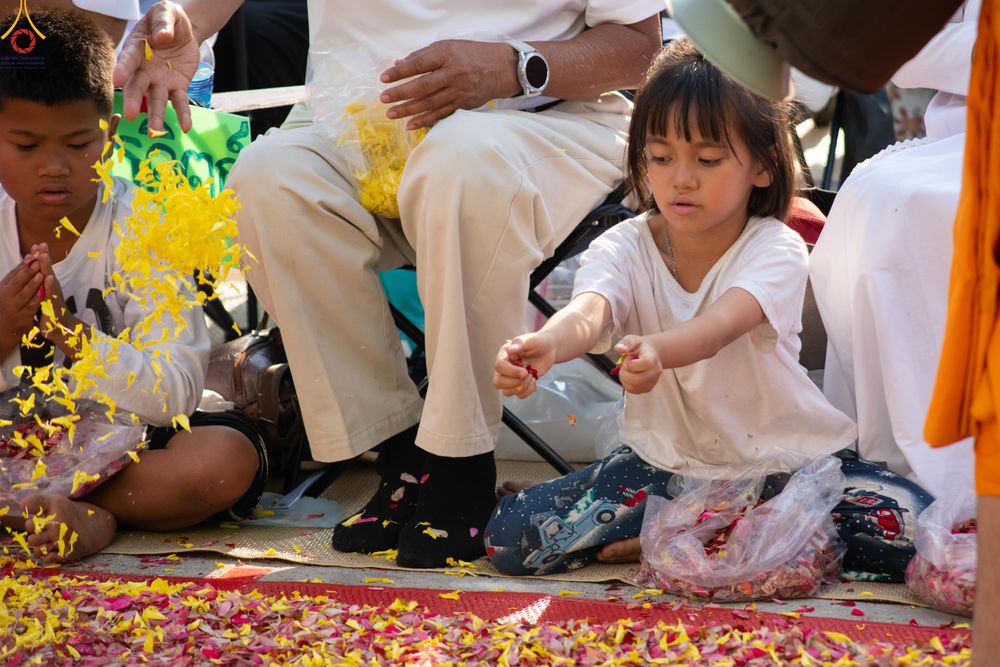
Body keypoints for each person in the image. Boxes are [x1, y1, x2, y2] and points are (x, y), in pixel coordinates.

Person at [113, 0, 663, 567]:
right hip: (352, 124)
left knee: (460, 160)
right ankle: (399, 450)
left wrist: (515, 66)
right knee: (267, 179)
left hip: (545, 118)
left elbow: (642, 48)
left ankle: (461, 459)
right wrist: (191, 25)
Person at [486, 40, 933, 579]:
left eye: (708, 159)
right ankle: (711, 529)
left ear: (764, 167)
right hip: (664, 468)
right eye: (660, 156)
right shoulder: (624, 245)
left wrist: (656, 349)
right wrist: (548, 345)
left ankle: (696, 530)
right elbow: (592, 309)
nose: (681, 177)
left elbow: (719, 326)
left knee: (912, 527)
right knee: (511, 542)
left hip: (786, 465)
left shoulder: (776, 247)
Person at [0, 8, 267, 563]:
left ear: (111, 131)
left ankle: (81, 511)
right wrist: (5, 328)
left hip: (124, 449)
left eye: (78, 145)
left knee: (222, 462)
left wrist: (75, 340)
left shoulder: (145, 224)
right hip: (9, 442)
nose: (54, 167)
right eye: (27, 146)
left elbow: (174, 396)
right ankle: (76, 511)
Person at [810, 1, 979, 501]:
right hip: (965, 132)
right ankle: (889, 458)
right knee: (874, 192)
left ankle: (947, 467)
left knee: (914, 200)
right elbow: (895, 48)